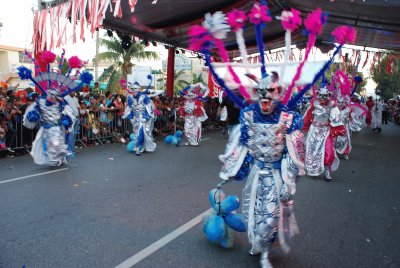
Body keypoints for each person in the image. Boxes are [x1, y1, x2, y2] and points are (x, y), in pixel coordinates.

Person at [303, 85, 346, 181]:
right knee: (312, 151)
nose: (322, 98)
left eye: (324, 96)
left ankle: (327, 171)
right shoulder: (314, 103)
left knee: (329, 152)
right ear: (318, 94)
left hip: (326, 131)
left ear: (328, 95)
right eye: (320, 95)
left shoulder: (332, 105)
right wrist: (303, 125)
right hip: (314, 130)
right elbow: (307, 115)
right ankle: (314, 170)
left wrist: (338, 132)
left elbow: (336, 118)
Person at [122, 81, 157, 155]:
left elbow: (149, 109)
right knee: (136, 133)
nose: (133, 92)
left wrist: (145, 117)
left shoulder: (144, 97)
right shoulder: (130, 98)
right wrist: (131, 117)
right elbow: (130, 108)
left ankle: (138, 148)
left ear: (138, 90)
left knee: (141, 133)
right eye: (132, 90)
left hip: (142, 118)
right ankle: (142, 146)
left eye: (134, 90)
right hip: (135, 119)